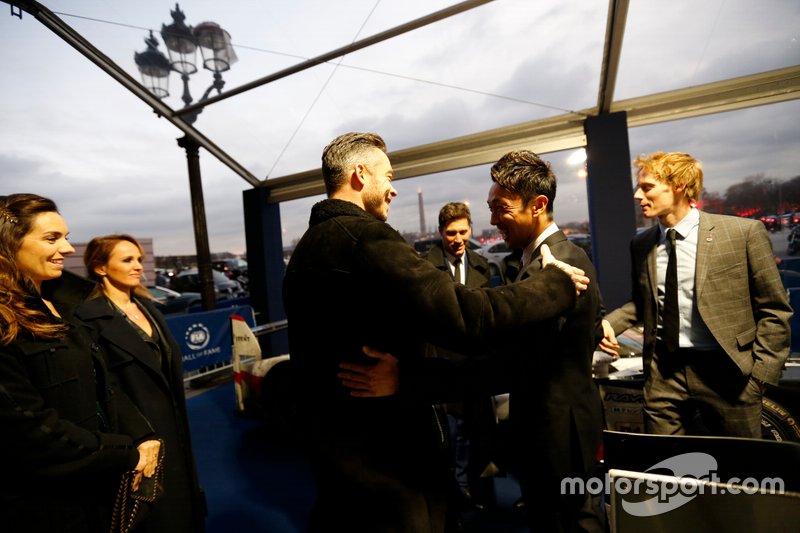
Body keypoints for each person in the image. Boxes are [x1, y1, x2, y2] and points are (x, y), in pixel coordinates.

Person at [282, 132, 589, 533]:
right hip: (388, 460)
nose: (392, 189)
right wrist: (556, 286)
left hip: (336, 455)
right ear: (359, 174)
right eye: (387, 175)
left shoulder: (305, 252)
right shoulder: (366, 238)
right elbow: (469, 317)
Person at [598, 151, 792, 437]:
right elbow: (643, 304)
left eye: (647, 186)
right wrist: (609, 324)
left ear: (678, 184)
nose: (638, 195)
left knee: (742, 472)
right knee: (668, 471)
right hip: (664, 372)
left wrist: (761, 374)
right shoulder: (641, 244)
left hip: (728, 372)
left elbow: (775, 309)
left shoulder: (743, 233)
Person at [0, 194, 162, 533]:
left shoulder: (62, 304)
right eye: (51, 238)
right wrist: (123, 452)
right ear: (8, 243)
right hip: (43, 507)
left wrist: (142, 434)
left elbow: (102, 385)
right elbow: (28, 431)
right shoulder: (5, 321)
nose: (69, 249)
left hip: (95, 490)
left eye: (66, 237)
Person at [486, 150, 606, 532]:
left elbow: (524, 354)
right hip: (544, 424)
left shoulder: (561, 262)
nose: (491, 220)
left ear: (538, 205)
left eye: (501, 208)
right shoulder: (532, 260)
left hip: (560, 431)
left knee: (572, 521)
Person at [77, 234, 206, 532]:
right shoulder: (87, 319)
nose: (137, 266)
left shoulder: (151, 309)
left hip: (174, 431)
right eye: (126, 260)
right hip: (136, 439)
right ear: (100, 268)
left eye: (138, 259)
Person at [424, 202, 497, 512]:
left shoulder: (483, 265)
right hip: (441, 367)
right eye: (451, 232)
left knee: (472, 436)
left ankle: (467, 491)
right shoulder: (425, 267)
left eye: (463, 231)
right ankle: (447, 497)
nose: (458, 239)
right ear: (441, 232)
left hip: (474, 369)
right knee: (445, 438)